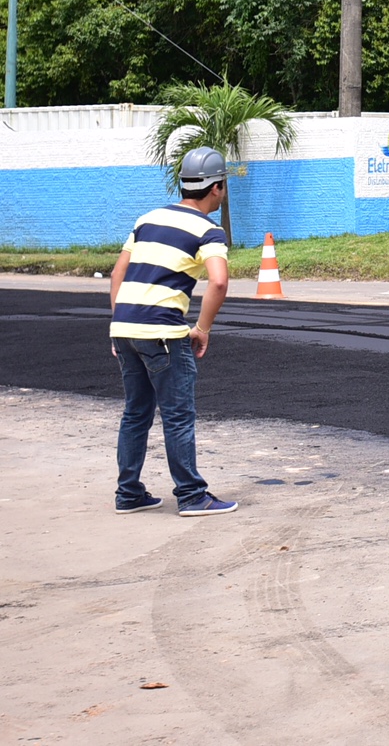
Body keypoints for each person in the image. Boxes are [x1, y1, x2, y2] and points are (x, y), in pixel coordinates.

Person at [109, 146, 237, 517]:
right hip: (163, 333)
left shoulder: (147, 219)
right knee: (178, 414)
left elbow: (118, 274)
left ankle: (128, 493)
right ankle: (192, 495)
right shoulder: (209, 231)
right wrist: (202, 329)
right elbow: (219, 282)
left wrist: (121, 323)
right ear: (216, 188)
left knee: (136, 413)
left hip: (125, 327)